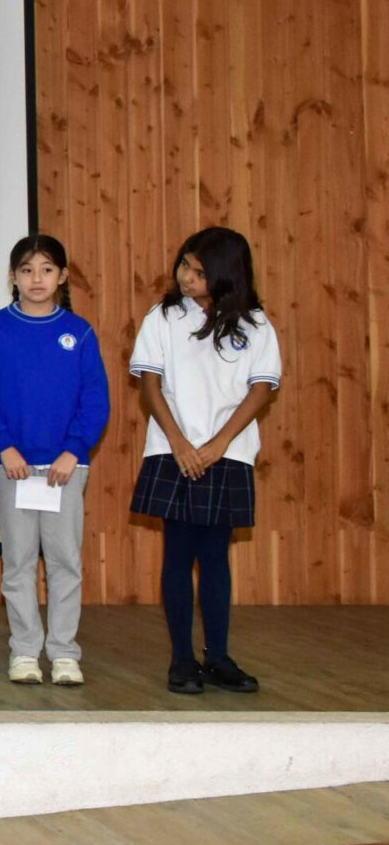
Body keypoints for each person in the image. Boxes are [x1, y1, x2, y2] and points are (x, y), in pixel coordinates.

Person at [130, 227, 280, 696]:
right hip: (173, 450)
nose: (186, 277)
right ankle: (182, 659)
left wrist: (217, 445)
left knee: (215, 556)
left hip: (227, 453)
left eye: (198, 271)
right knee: (178, 553)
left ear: (225, 274)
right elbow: (150, 383)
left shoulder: (255, 324)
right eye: (184, 265)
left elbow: (261, 389)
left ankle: (218, 657)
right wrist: (180, 443)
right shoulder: (164, 316)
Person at [0, 234, 110, 687]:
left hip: (66, 468)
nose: (36, 279)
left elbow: (95, 400)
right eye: (27, 270)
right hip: (12, 467)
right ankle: (25, 651)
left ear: (62, 276)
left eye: (47, 270)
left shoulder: (79, 332)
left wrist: (73, 450)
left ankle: (64, 653)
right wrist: (4, 446)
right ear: (12, 276)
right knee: (19, 563)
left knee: (65, 562)